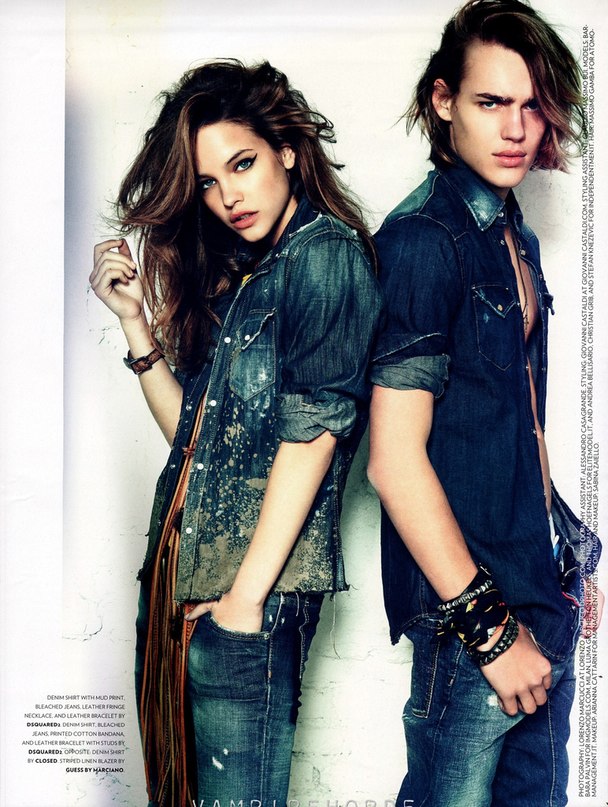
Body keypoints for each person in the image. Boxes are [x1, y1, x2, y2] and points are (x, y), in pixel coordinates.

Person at [90, 59, 382, 807]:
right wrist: (135, 325)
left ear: (287, 149)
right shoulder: (250, 276)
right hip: (187, 588)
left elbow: (314, 438)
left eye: (242, 164)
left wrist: (243, 604)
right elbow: (195, 441)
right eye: (208, 183)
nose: (228, 196)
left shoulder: (325, 255)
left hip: (249, 599)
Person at [367, 2, 602, 805]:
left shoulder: (513, 235)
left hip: (540, 595)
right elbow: (393, 462)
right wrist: (493, 633)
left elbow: (517, 418)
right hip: (476, 624)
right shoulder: (422, 242)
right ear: (443, 101)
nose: (515, 128)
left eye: (532, 105)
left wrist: (561, 548)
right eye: (491, 102)